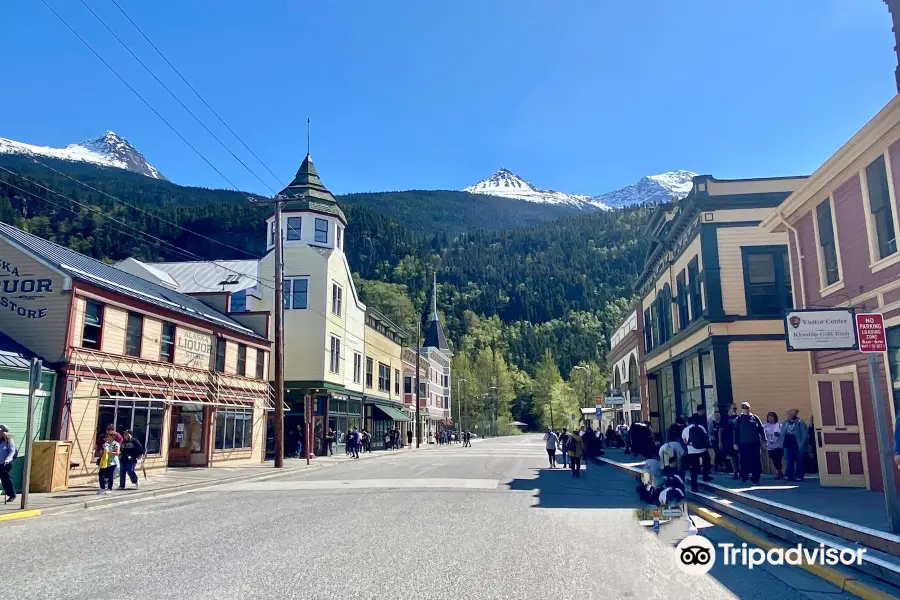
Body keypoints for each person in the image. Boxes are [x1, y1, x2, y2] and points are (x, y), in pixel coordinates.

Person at [733, 402, 765, 484]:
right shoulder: (739, 419)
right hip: (743, 443)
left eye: (747, 408)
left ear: (749, 408)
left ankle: (756, 477)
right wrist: (735, 443)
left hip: (755, 443)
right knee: (744, 460)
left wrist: (764, 439)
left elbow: (761, 429)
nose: (745, 409)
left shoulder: (755, 417)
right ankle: (744, 476)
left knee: (756, 461)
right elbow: (736, 432)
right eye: (744, 408)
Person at [682, 408, 712, 492]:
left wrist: (690, 444)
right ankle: (705, 476)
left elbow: (684, 441)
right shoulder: (701, 427)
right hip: (702, 449)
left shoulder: (685, 430)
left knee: (693, 470)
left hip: (692, 451)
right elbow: (706, 437)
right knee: (707, 460)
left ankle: (694, 487)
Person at [780, 409, 809, 482]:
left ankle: (799, 476)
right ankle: (789, 475)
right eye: (789, 414)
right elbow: (782, 433)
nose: (790, 415)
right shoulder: (785, 423)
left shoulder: (800, 423)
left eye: (792, 414)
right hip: (787, 444)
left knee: (799, 460)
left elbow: (804, 434)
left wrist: (802, 444)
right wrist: (781, 443)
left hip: (797, 444)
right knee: (789, 460)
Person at [97, 431, 120, 495]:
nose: (108, 437)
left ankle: (109, 488)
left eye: (109, 436)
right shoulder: (106, 443)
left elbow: (117, 453)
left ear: (113, 437)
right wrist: (101, 451)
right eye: (107, 436)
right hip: (105, 462)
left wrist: (109, 452)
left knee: (110, 476)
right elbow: (102, 451)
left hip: (112, 462)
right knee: (100, 474)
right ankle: (102, 488)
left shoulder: (116, 444)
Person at [763, 412, 783, 479]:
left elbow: (783, 434)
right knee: (774, 459)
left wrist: (778, 435)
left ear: (775, 417)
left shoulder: (779, 426)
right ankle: (780, 471)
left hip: (778, 445)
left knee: (777, 459)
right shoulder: (765, 426)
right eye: (769, 416)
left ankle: (777, 472)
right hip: (769, 446)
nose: (770, 418)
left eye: (772, 416)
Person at [0, 425, 16, 503]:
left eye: (0, 431)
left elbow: (12, 451)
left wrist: (7, 459)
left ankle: (12, 495)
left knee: (6, 480)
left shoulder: (8, 440)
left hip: (5, 464)